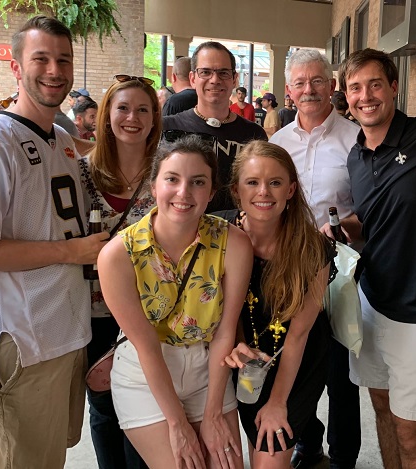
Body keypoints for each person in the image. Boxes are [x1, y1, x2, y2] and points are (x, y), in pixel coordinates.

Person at [0, 16, 108, 468]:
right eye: (41, 58)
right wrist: (70, 252)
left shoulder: (63, 141)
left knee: (48, 456)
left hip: (63, 331)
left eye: (63, 59)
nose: (54, 69)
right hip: (22, 340)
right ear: (16, 67)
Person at [98, 135, 253, 469]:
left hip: (210, 366)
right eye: (172, 179)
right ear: (154, 186)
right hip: (146, 372)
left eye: (198, 182)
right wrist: (178, 424)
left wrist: (213, 415)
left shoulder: (234, 243)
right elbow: (146, 346)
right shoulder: (117, 255)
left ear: (212, 193)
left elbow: (227, 332)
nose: (184, 193)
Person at [339, 48, 416, 469]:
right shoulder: (355, 155)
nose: (365, 96)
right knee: (383, 411)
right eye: (354, 88)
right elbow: (374, 218)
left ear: (393, 87)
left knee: (414, 429)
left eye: (374, 84)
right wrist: (347, 227)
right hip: (371, 302)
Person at [270, 48, 362, 469]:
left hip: (341, 270)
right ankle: (309, 444)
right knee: (296, 361)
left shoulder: (355, 139)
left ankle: (344, 457)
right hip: (289, 268)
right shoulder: (276, 144)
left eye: (317, 81)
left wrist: (345, 223)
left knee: (342, 372)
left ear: (332, 85)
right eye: (300, 83)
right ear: (289, 90)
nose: (309, 90)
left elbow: (370, 204)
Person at [221, 140, 335, 469]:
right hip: (245, 359)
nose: (264, 193)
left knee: (269, 455)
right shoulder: (221, 234)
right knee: (251, 439)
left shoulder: (312, 247)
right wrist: (239, 343)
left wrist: (278, 402)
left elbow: (298, 335)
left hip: (296, 363)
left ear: (291, 190)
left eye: (275, 183)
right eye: (253, 182)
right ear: (236, 191)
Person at [79, 73, 163, 469]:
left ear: (154, 118)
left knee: (148, 408)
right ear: (107, 115)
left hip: (151, 312)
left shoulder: (166, 175)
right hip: (94, 312)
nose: (132, 117)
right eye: (123, 108)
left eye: (143, 109)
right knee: (104, 406)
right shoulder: (81, 174)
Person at [162, 41, 267, 213]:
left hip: (238, 233)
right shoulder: (168, 127)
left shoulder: (254, 134)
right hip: (182, 232)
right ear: (193, 79)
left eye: (223, 73)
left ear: (234, 79)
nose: (215, 80)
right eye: (205, 72)